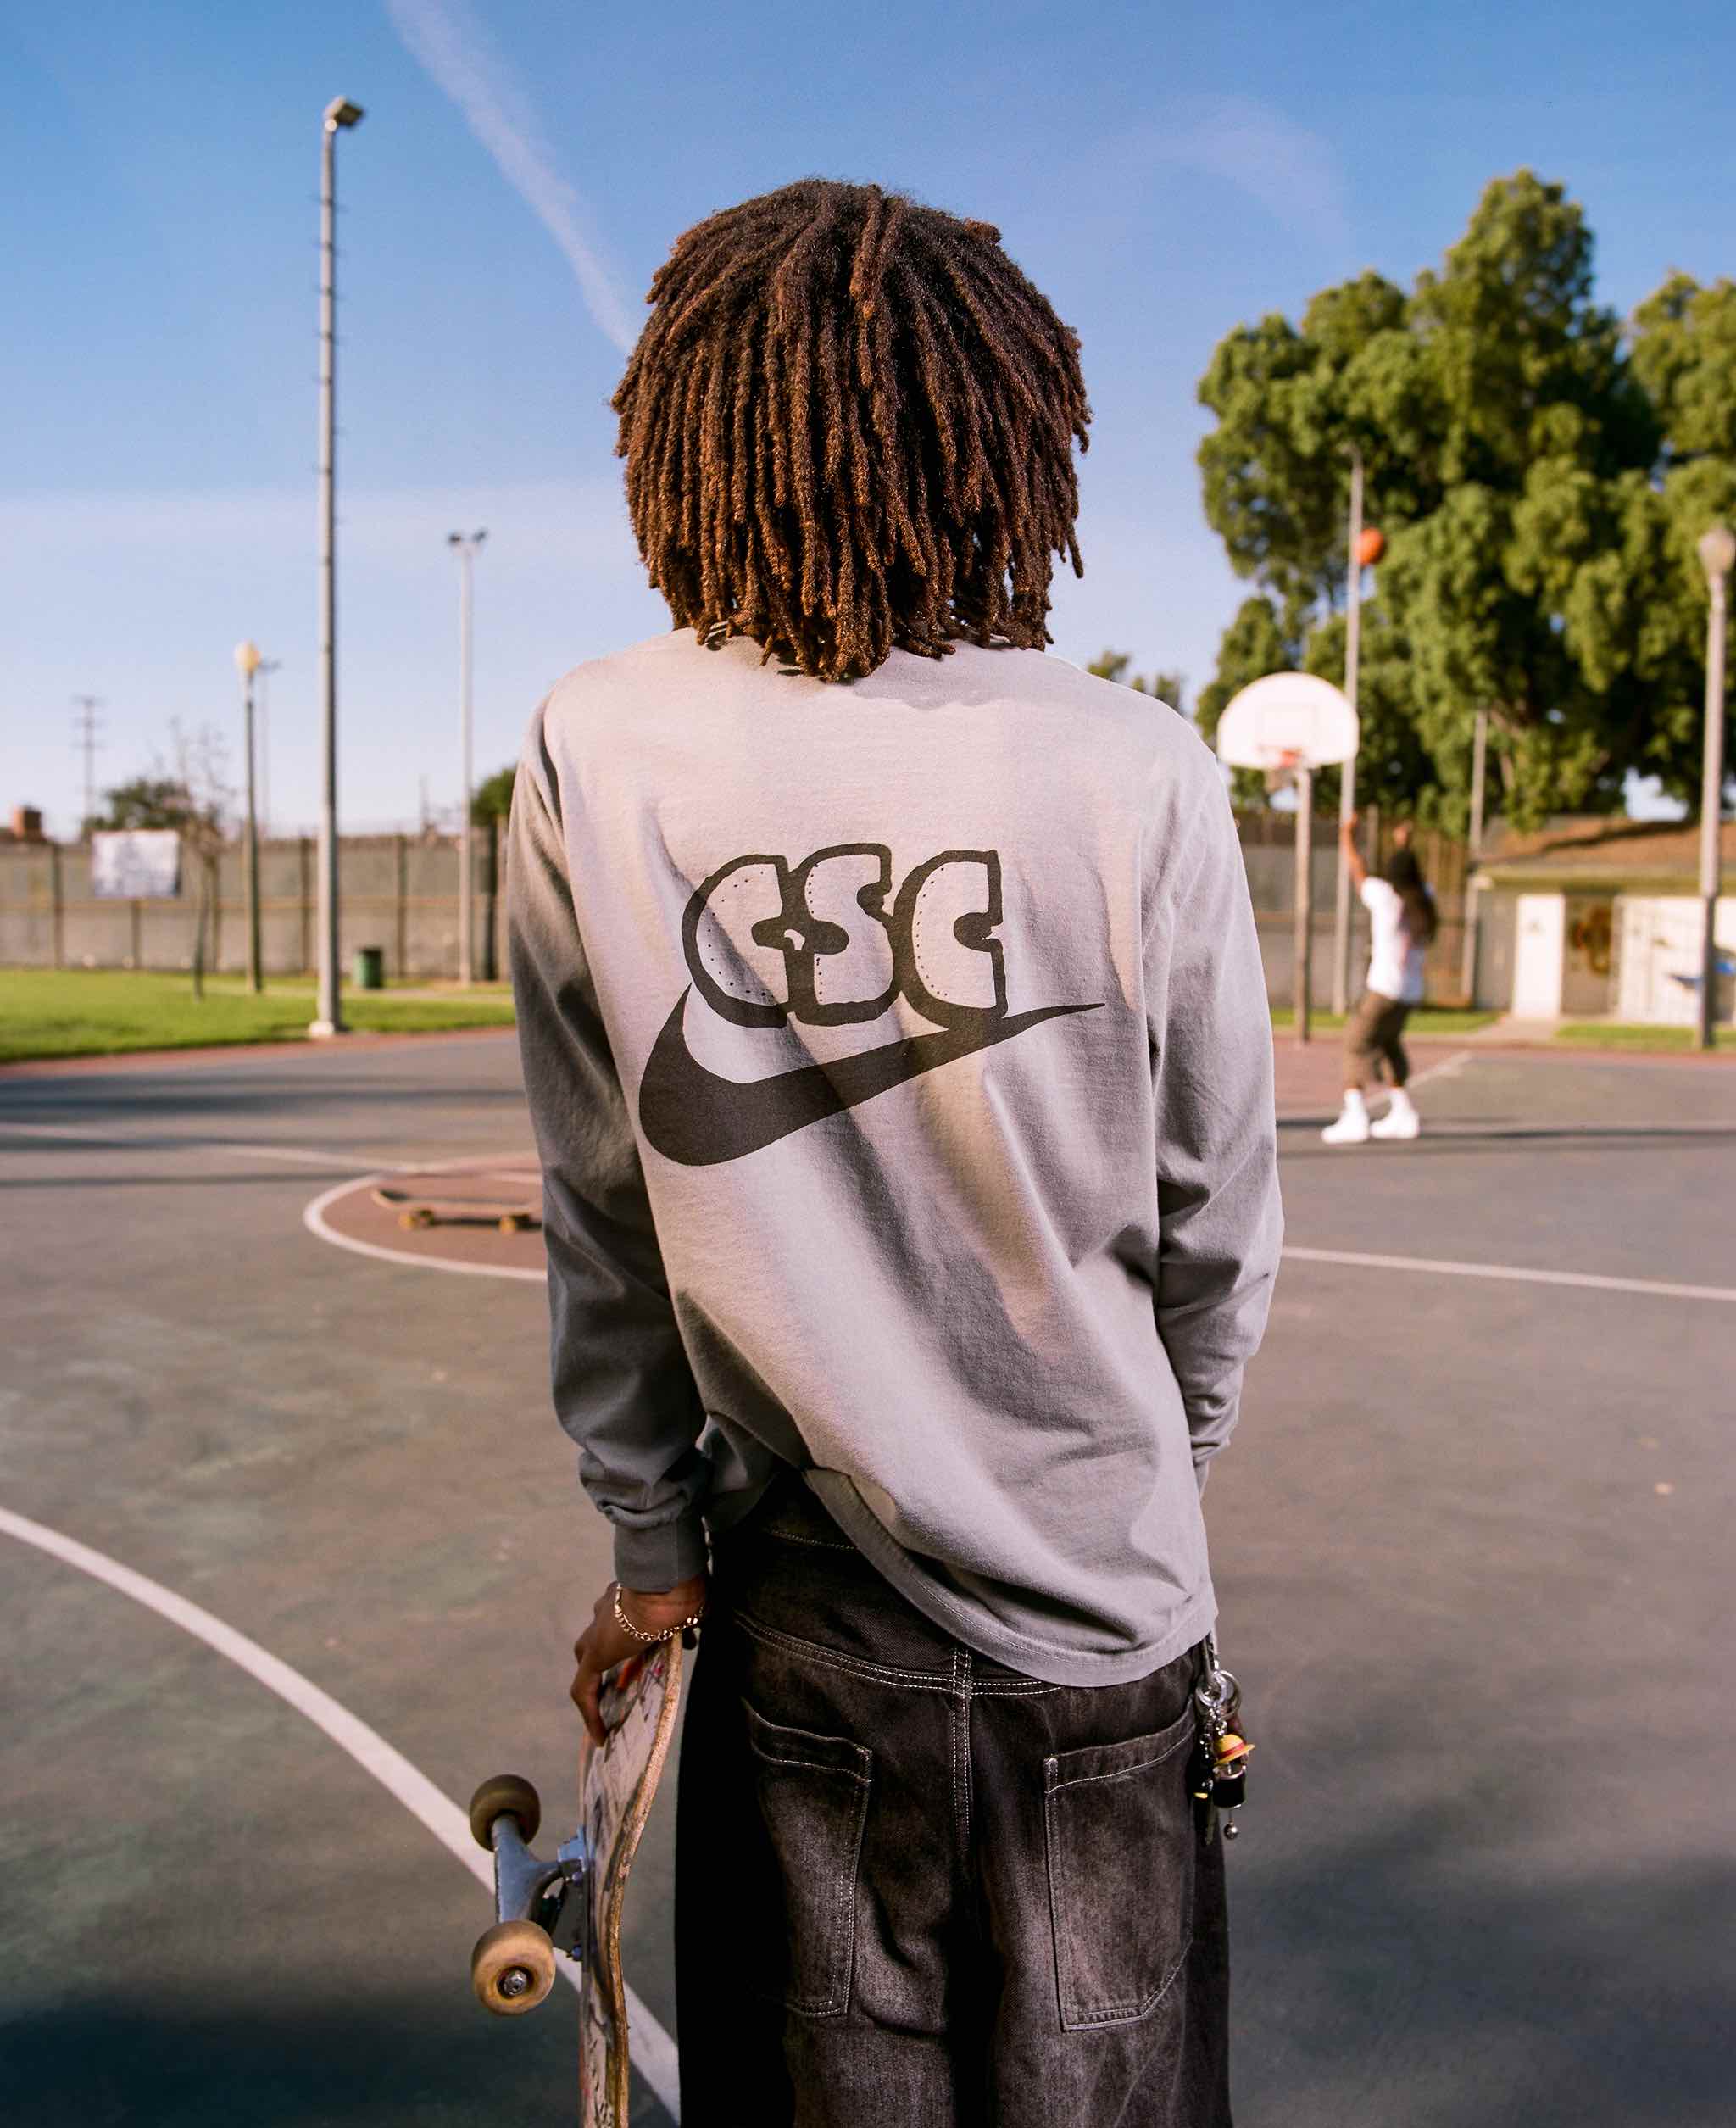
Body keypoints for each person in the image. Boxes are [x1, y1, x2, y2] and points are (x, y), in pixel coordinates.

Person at [507, 180, 1283, 2128]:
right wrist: (1125, 1490)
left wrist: (649, 1551)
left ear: (692, 430)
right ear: (1003, 433)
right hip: (1104, 1645)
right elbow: (1216, 1234)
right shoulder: (1140, 764)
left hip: (808, 1635)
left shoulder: (603, 745)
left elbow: (608, 1217)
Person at [1322, 815, 1438, 1145]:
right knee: (1388, 1044)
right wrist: (1404, 844)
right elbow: (1410, 872)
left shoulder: (1386, 898)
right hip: (1410, 992)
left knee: (1355, 1044)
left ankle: (1355, 1115)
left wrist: (1347, 836)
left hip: (1384, 989)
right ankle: (1404, 1112)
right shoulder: (1425, 900)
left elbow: (1357, 869)